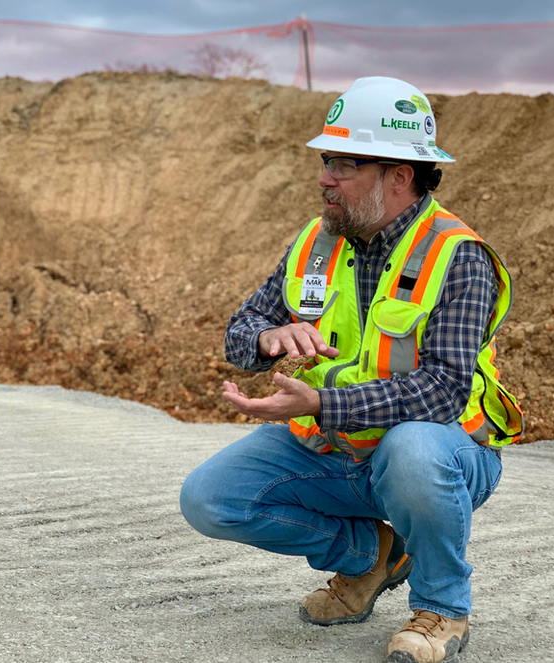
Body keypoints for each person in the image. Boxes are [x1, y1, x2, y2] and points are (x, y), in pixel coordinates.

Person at [179, 77, 523, 663]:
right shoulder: (317, 243)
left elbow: (442, 392)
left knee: (414, 449)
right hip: (336, 451)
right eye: (324, 161)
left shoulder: (457, 256)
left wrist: (319, 404)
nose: (324, 178)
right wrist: (268, 338)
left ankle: (442, 609)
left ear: (398, 175)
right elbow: (239, 333)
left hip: (440, 459)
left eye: (342, 163)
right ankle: (370, 554)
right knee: (210, 498)